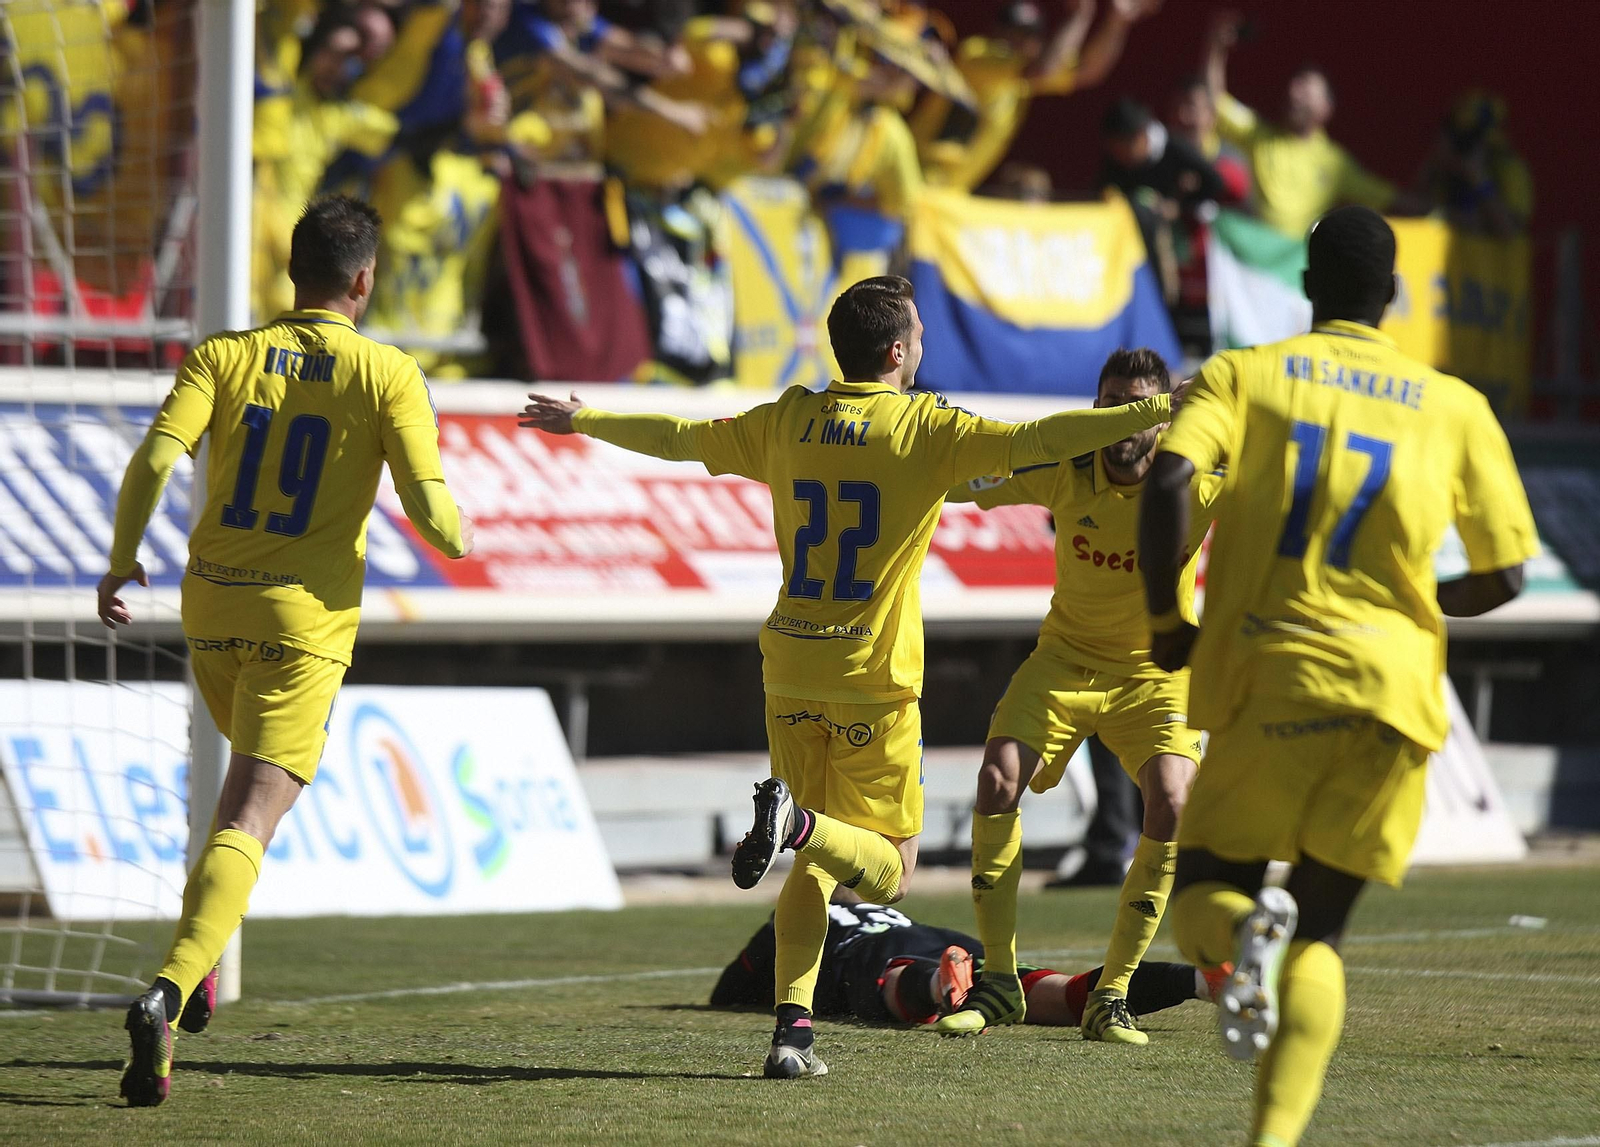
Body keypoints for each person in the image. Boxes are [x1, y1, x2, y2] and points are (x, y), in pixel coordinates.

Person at [519, 275, 1178, 1079]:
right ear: (897, 352)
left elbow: (682, 434)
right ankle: (797, 824)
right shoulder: (927, 429)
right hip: (872, 679)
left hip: (790, 666)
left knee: (819, 871)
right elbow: (1045, 435)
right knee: (889, 867)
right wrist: (1152, 409)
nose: (926, 348)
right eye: (921, 338)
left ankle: (791, 1028)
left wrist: (584, 419)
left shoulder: (788, 419)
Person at [1140, 205, 1538, 1145]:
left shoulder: (1247, 375)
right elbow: (1508, 572)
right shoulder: (1456, 405)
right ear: (1391, 295)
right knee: (1317, 930)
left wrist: (1168, 620)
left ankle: (1243, 938)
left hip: (1269, 670)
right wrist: (1411, 607)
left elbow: (1165, 483)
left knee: (1204, 891)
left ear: (1308, 287)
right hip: (1394, 695)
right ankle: (1273, 1139)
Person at [99, 197, 475, 1107]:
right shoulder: (388, 372)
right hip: (300, 626)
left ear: (291, 272)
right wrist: (458, 536)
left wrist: (120, 562)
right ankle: (168, 986)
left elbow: (155, 459)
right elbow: (430, 509)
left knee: (237, 795)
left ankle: (199, 975)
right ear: (363, 279)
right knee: (253, 817)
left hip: (209, 607)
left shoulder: (222, 355)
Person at [936, 348, 1217, 1046]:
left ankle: (1111, 995)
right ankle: (1000, 983)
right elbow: (971, 482)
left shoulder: (1199, 487)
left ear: (1162, 418)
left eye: (1137, 402)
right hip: (1063, 661)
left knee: (1174, 802)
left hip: (1155, 676)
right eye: (1110, 400)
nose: (1121, 416)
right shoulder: (1065, 467)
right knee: (997, 776)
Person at [710, 898, 1223, 1028]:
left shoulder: (799, 912)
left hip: (870, 957)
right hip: (934, 938)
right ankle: (1204, 980)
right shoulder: (887, 908)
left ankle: (937, 986)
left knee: (893, 984)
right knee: (1063, 996)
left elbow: (730, 989)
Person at [1202, 12, 1419, 239]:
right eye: (1293, 87)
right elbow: (1214, 104)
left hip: (1293, 265)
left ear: (1326, 108)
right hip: (1253, 256)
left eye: (1305, 90)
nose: (1294, 93)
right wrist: (1215, 49)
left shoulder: (1335, 163)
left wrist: (1438, 211)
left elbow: (1387, 197)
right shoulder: (1258, 134)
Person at [912, 0, 1159, 193]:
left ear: (1037, 42)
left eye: (1026, 35)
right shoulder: (975, 55)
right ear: (994, 31)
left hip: (945, 198)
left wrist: (1116, 20)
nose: (1016, 42)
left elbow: (1087, 71)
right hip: (912, 180)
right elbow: (1044, 69)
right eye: (1009, 31)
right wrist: (1080, 15)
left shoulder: (1022, 82)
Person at [1418, 90, 1533, 237]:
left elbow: (1510, 231)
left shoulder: (1509, 170)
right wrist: (1432, 166)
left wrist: (1479, 179)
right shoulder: (1441, 168)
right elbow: (1411, 211)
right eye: (1458, 138)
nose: (1464, 148)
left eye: (1471, 141)